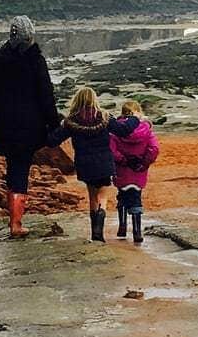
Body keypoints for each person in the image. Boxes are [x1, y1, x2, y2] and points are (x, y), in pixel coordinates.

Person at [0, 15, 60, 238]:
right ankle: (16, 223)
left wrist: (0, 106)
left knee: (13, 168)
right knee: (20, 169)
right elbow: (46, 96)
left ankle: (14, 221)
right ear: (29, 36)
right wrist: (54, 124)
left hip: (4, 124)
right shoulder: (35, 59)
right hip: (30, 126)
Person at [49, 86, 139, 242]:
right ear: (94, 100)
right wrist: (134, 118)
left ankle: (94, 232)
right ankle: (99, 230)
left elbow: (52, 140)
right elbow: (123, 130)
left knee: (92, 196)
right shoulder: (104, 117)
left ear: (77, 101)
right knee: (103, 196)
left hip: (85, 164)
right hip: (104, 162)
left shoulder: (71, 122)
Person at [109, 99, 159, 244]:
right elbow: (154, 149)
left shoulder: (116, 131)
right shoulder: (147, 130)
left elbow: (112, 151)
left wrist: (123, 160)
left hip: (122, 170)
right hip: (139, 171)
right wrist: (144, 162)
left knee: (122, 196)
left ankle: (123, 226)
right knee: (136, 197)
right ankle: (137, 231)